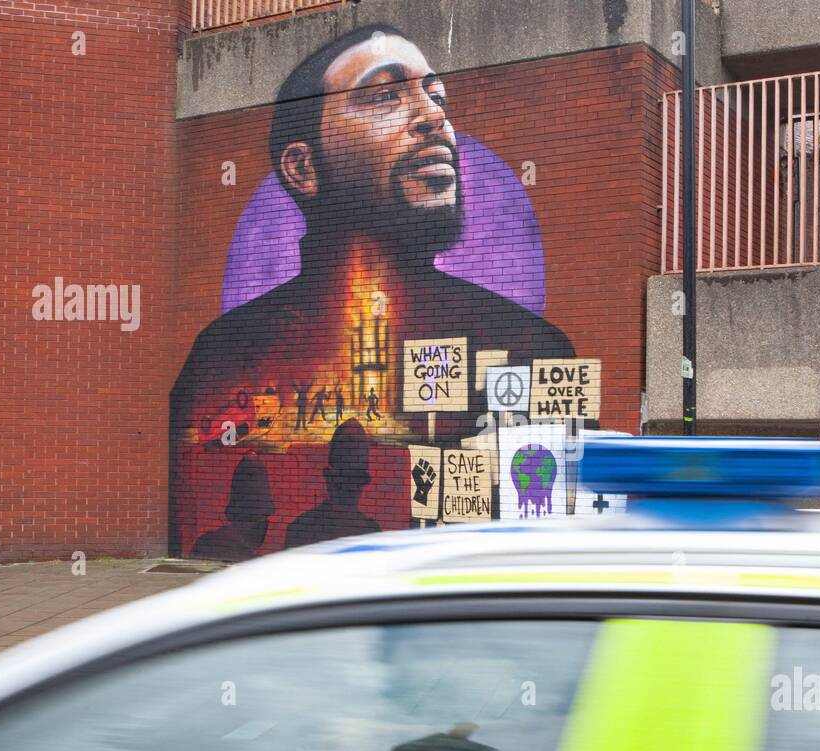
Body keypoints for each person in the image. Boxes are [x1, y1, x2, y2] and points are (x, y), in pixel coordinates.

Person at [169, 23, 575, 557]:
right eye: (385, 95)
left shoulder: (534, 348)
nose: (435, 118)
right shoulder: (222, 355)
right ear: (303, 167)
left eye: (437, 97)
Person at [284, 419, 381, 547]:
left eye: (353, 479)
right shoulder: (371, 534)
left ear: (329, 478)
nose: (350, 488)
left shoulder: (300, 529)